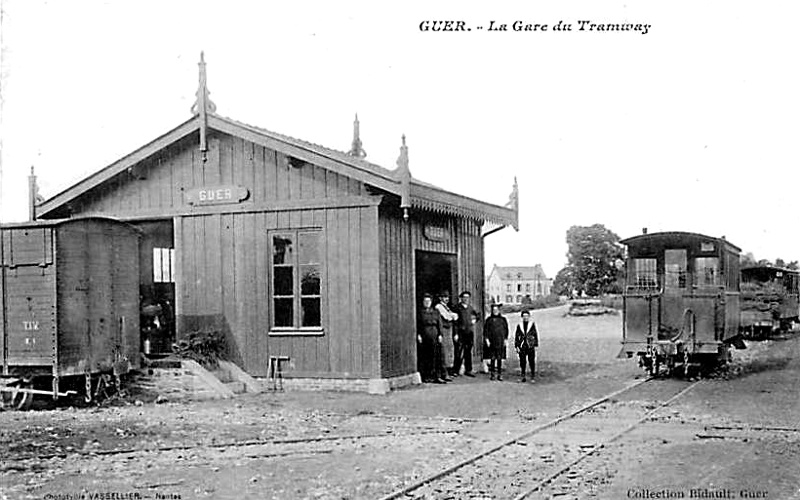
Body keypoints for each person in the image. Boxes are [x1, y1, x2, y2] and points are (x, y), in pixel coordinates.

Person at [417, 293, 447, 383]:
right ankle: (427, 376)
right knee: (426, 356)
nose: (427, 303)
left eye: (428, 301)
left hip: (434, 333)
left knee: (436, 356)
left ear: (431, 302)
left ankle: (436, 376)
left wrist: (440, 334)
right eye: (425, 301)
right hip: (425, 334)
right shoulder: (420, 312)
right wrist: (419, 334)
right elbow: (418, 324)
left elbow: (439, 324)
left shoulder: (435, 312)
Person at [452, 291, 479, 377]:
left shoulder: (470, 308)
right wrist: (455, 333)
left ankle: (469, 370)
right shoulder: (457, 308)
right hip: (460, 333)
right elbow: (455, 322)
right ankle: (456, 370)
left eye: (467, 297)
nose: (466, 299)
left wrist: (475, 320)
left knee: (468, 352)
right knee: (458, 352)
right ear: (461, 298)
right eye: (464, 297)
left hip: (469, 333)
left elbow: (478, 315)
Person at [434, 292, 458, 381]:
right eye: (444, 297)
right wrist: (452, 316)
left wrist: (452, 316)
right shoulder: (439, 307)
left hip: (449, 330)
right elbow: (447, 317)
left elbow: (455, 316)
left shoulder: (446, 307)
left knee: (449, 351)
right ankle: (443, 373)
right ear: (440, 298)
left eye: (447, 297)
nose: (446, 299)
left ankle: (447, 372)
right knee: (443, 352)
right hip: (443, 330)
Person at [483, 304, 509, 381]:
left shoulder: (503, 319)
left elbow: (506, 330)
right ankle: (493, 374)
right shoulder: (489, 320)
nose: (495, 311)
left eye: (496, 310)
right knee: (493, 358)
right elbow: (486, 331)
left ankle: (500, 374)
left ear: (499, 310)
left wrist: (505, 339)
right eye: (494, 310)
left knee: (499, 358)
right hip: (492, 342)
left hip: (500, 341)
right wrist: (487, 339)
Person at [514, 310, 539, 382]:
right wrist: (517, 346)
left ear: (529, 316)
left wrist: (535, 344)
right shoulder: (520, 325)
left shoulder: (532, 324)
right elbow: (517, 335)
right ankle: (523, 375)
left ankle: (532, 376)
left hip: (530, 345)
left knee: (531, 361)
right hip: (522, 345)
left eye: (527, 316)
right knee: (522, 361)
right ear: (522, 317)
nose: (525, 318)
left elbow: (535, 334)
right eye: (524, 316)